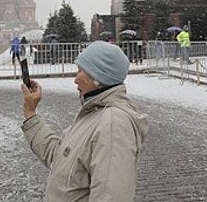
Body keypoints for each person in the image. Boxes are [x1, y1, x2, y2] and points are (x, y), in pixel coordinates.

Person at [20, 41, 148, 201]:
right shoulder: (93, 113)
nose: (75, 79)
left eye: (81, 70)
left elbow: (110, 197)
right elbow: (58, 157)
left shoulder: (113, 124)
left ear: (99, 77)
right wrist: (30, 113)